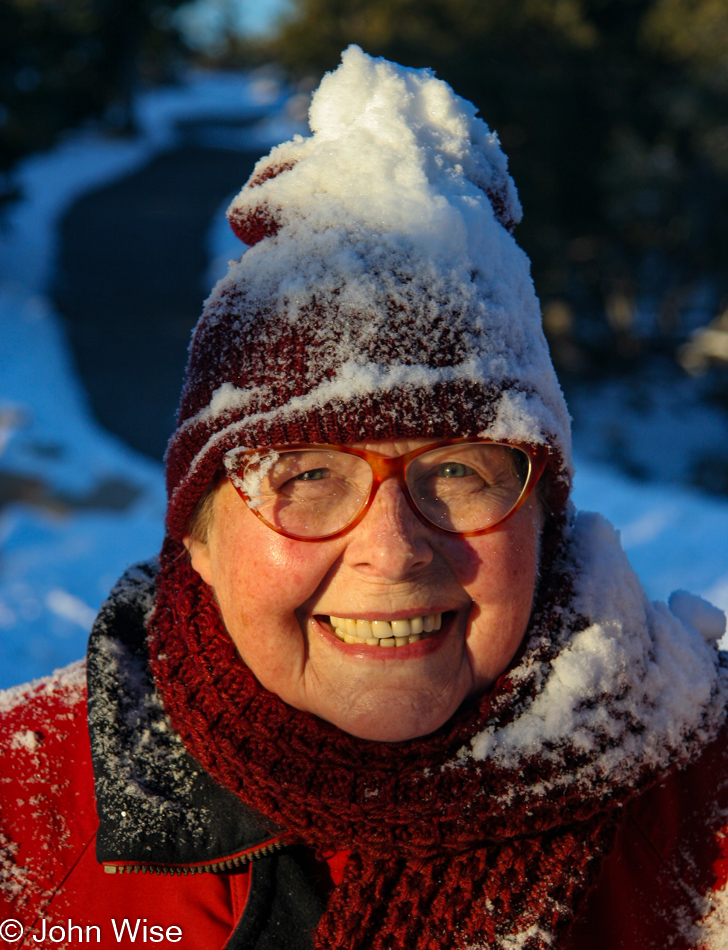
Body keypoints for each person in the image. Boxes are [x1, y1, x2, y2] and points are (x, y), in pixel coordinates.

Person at [1, 45, 727, 950]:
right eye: (306, 476)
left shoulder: (702, 809)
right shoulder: (20, 815)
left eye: (459, 471)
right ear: (196, 532)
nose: (394, 549)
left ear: (545, 515)